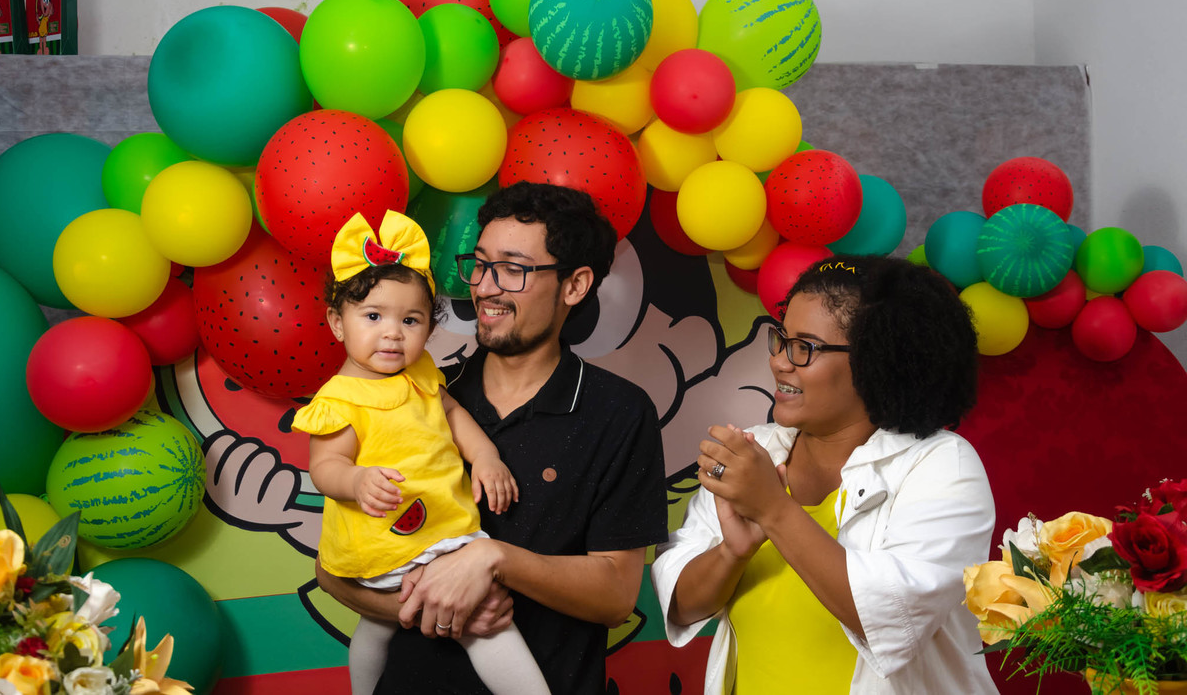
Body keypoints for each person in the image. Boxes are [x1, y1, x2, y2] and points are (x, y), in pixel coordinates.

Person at [316, 182, 668, 695]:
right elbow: (331, 571)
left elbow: (616, 597)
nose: (484, 288)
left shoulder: (619, 413)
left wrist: (492, 559)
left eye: (512, 269)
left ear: (574, 285)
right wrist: (430, 609)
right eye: (480, 265)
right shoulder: (421, 394)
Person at [652, 255, 998, 694]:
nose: (780, 362)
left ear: (878, 360)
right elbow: (681, 607)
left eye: (805, 347)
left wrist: (773, 510)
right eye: (781, 339)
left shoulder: (942, 465)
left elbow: (894, 620)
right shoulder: (756, 452)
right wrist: (732, 553)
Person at [294, 210, 550, 695]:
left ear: (429, 329)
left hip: (438, 525)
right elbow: (325, 467)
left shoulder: (421, 375)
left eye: (410, 320)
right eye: (373, 317)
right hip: (385, 537)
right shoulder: (340, 399)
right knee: (478, 622)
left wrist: (486, 456)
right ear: (337, 323)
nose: (393, 333)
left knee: (381, 626)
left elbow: (451, 413)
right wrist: (356, 480)